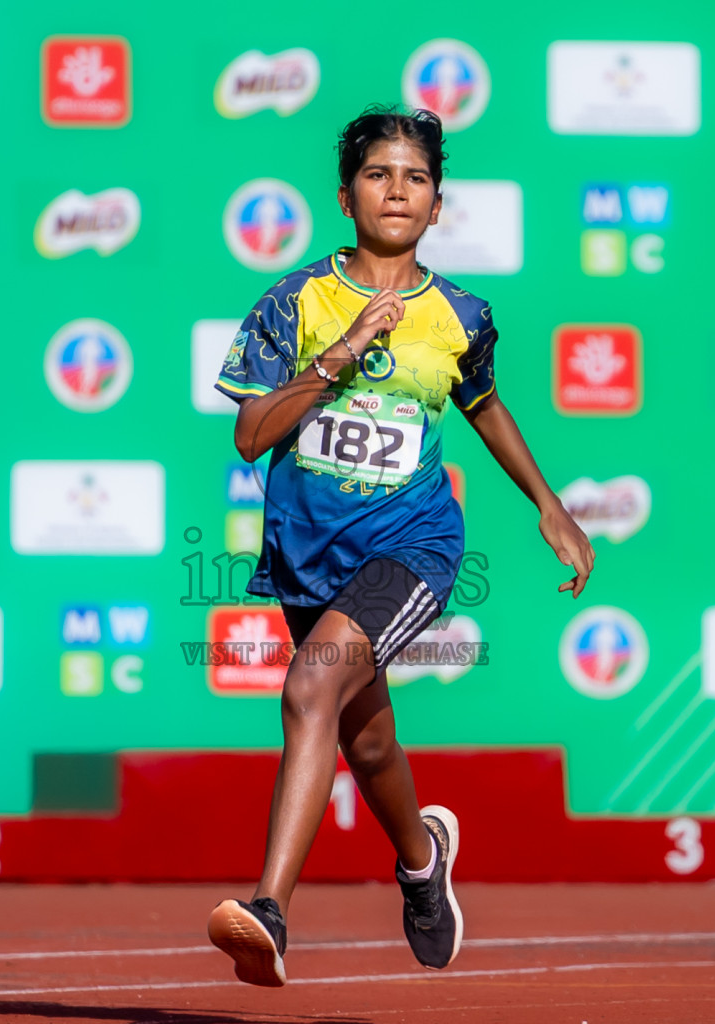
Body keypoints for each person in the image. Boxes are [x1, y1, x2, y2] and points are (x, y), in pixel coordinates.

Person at [208, 104, 595, 988]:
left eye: (415, 178)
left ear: (437, 204)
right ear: (345, 195)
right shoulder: (294, 302)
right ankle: (423, 863)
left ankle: (268, 910)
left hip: (413, 545)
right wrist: (341, 353)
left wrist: (549, 504)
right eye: (379, 174)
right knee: (367, 741)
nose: (397, 190)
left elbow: (484, 404)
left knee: (309, 687)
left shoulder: (461, 314)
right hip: (309, 551)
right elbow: (251, 435)